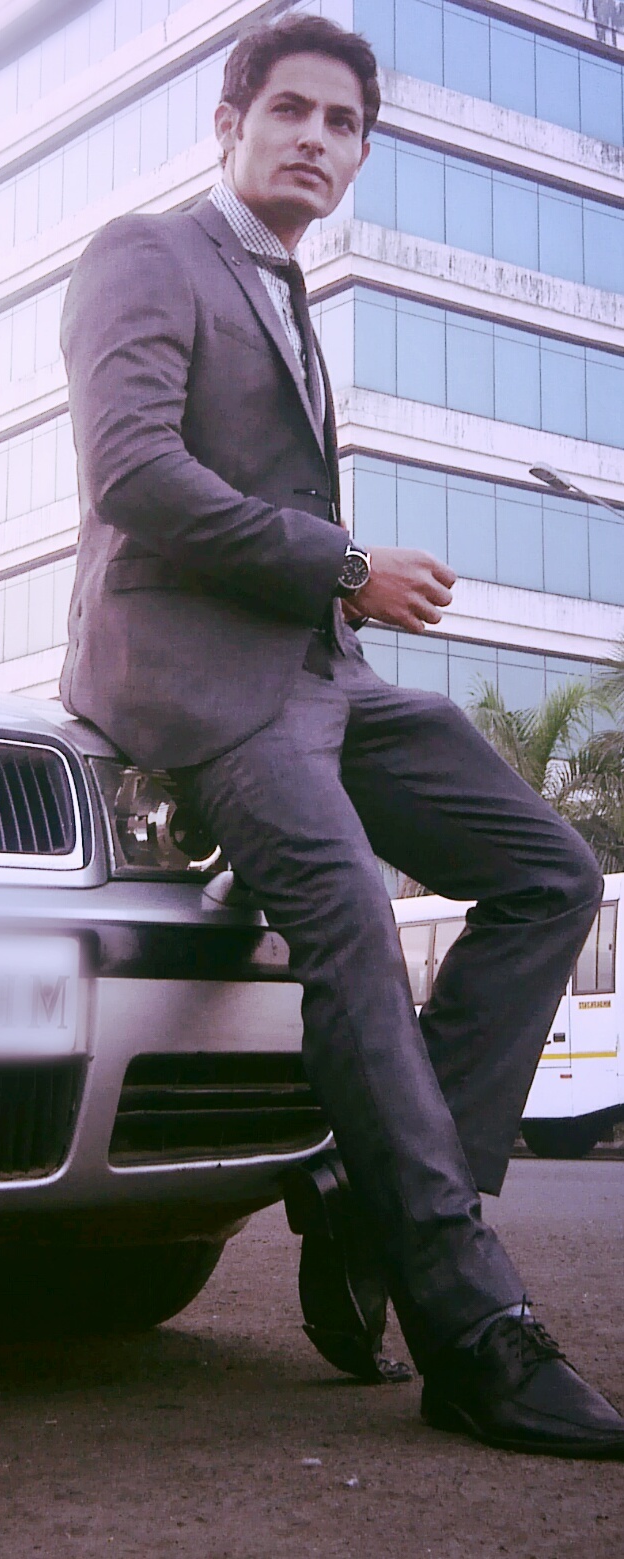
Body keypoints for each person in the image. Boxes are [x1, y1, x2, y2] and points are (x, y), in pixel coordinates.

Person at [60, 11, 624, 1458]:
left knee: (551, 873)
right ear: (230, 124)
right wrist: (344, 566)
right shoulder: (146, 253)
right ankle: (469, 1328)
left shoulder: (289, 291)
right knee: (355, 925)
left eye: (344, 124)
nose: (318, 139)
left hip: (322, 671)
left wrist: (338, 607)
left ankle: (370, 1195)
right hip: (196, 675)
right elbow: (133, 472)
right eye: (292, 111)